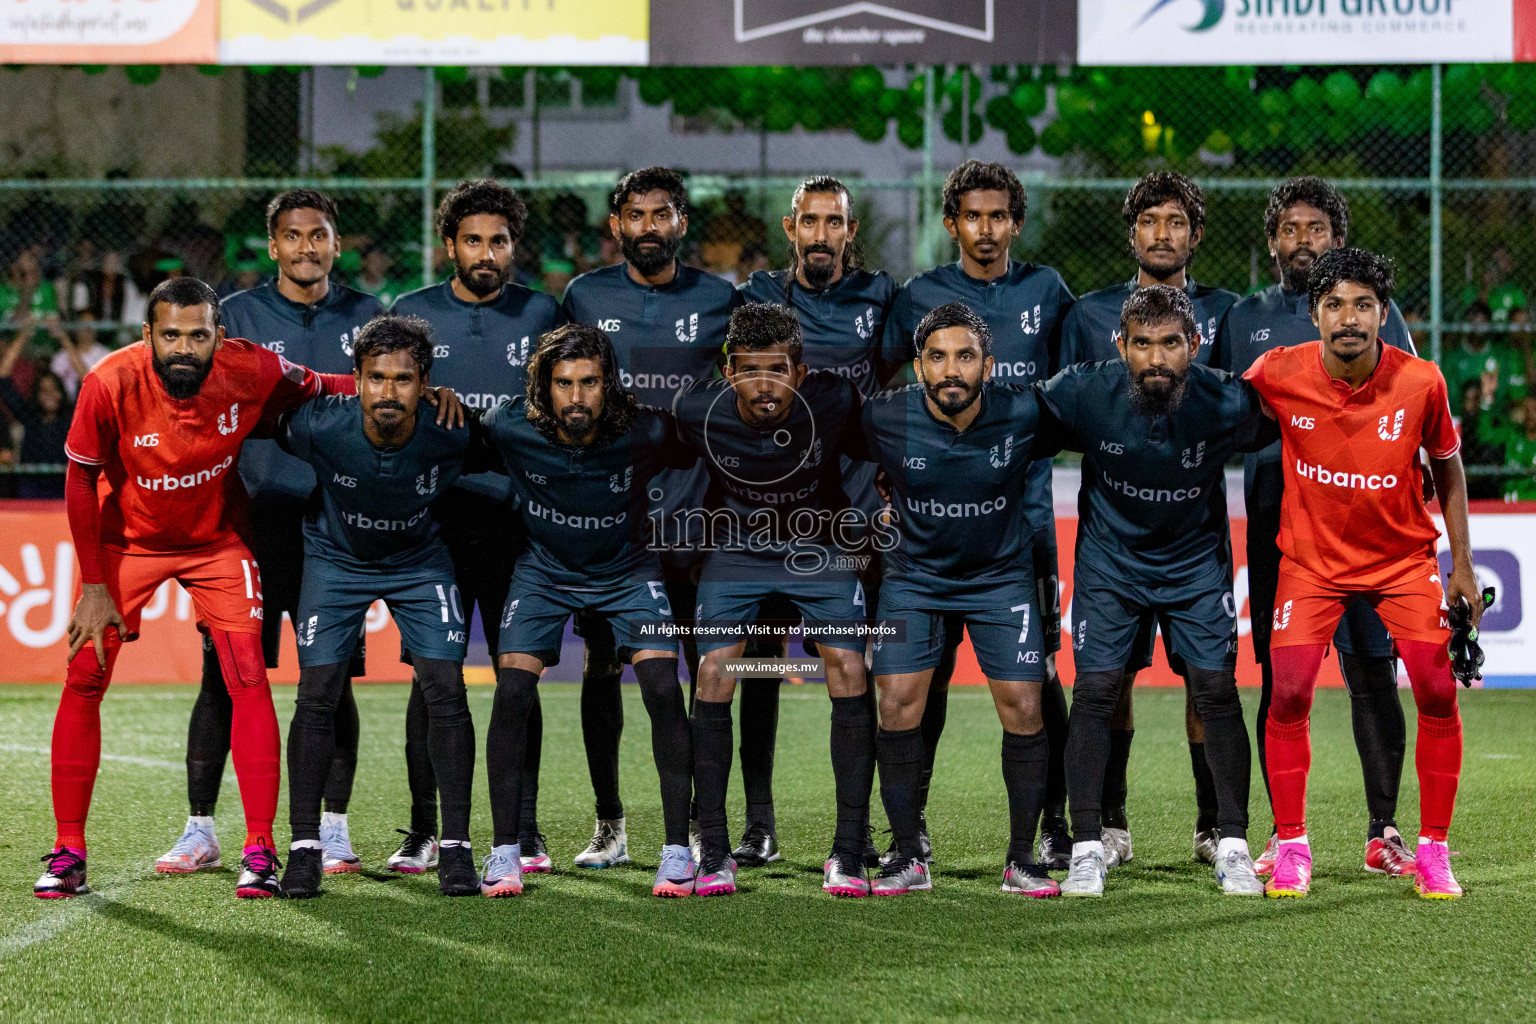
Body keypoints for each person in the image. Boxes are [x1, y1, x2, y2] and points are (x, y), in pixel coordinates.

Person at [35, 277, 357, 899]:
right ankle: (68, 849)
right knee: (84, 675)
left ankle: (259, 849)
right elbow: (79, 484)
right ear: (149, 335)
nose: (185, 348)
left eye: (199, 335)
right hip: (127, 545)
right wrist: (94, 585)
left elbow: (325, 384)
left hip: (217, 544)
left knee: (248, 677)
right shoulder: (108, 382)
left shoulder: (253, 368)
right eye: (172, 335)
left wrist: (397, 385)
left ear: (220, 336)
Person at [156, 189, 384, 878]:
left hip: (336, 532)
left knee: (330, 681)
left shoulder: (372, 317)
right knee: (223, 680)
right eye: (293, 236)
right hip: (251, 532)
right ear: (273, 245)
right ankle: (200, 829)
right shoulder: (239, 316)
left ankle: (334, 830)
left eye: (319, 235)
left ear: (335, 244)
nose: (306, 247)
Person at [1243, 247, 1478, 900]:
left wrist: (1461, 562)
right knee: (1287, 692)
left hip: (1402, 563)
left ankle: (1432, 849)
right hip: (1311, 564)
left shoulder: (1421, 381)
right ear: (1315, 313)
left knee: (1436, 688)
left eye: (1363, 304)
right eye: (1335, 304)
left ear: (1383, 313)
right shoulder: (1277, 372)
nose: (1349, 317)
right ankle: (1291, 845)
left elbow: (1448, 467)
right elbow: (1222, 415)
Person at [1220, 177, 1420, 877]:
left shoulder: (1375, 313)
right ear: (1271, 241)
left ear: (1339, 238)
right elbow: (1223, 418)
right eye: (1289, 229)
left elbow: (1415, 408)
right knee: (1284, 683)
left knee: (1373, 673)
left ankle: (1384, 829)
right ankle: (1285, 833)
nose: (1302, 241)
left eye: (1316, 229)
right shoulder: (1244, 318)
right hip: (1281, 526)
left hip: (1367, 528)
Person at [1040, 285, 1269, 896]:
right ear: (1121, 347)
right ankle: (1089, 844)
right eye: (1141, 344)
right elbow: (1010, 423)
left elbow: (1305, 420)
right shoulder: (1085, 390)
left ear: (1195, 345)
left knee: (1217, 692)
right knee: (1095, 691)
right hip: (1111, 566)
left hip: (1195, 567)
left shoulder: (1229, 401)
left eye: (1171, 343)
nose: (1156, 358)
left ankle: (1233, 842)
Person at [882, 161, 1075, 867]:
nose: (986, 229)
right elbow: (883, 389)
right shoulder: (920, 295)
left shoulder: (1047, 290)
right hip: (932, 515)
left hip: (1022, 518)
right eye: (972, 215)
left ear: (1016, 223)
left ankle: (1054, 822)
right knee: (919, 676)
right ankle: (912, 825)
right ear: (951, 222)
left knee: (1039, 674)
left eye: (999, 216)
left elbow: (1069, 393)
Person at [474, 323, 697, 898]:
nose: (576, 397)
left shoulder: (647, 429)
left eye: (590, 383)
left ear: (609, 384)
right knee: (512, 692)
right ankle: (504, 854)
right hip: (544, 573)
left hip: (628, 571)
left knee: (662, 688)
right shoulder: (509, 427)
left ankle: (676, 848)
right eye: (564, 383)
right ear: (544, 388)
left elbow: (709, 450)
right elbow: (450, 445)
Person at [560, 167, 742, 868]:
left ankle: (700, 824)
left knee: (704, 675)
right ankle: (610, 822)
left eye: (662, 214)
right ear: (616, 226)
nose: (648, 227)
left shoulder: (719, 299)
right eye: (635, 215)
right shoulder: (583, 296)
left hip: (697, 518)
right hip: (612, 519)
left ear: (681, 224)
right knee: (602, 668)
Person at [1059, 172, 1242, 867]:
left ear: (1196, 234)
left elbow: (1247, 409)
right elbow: (1062, 407)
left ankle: (1211, 825)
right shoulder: (1087, 315)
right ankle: (1106, 821)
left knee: (1209, 681)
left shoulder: (1232, 312)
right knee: (1111, 680)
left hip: (1196, 537)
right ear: (1131, 232)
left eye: (1176, 222)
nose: (1162, 234)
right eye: (1149, 221)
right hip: (1113, 537)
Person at [393, 178, 566, 874]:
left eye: (498, 240)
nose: (486, 253)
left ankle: (523, 829)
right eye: (473, 240)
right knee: (431, 682)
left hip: (519, 529)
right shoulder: (411, 314)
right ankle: (422, 830)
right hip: (434, 529)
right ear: (450, 246)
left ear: (513, 246)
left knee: (516, 677)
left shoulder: (543, 315)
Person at [272, 314, 478, 899]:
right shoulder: (318, 426)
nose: (389, 392)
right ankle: (306, 849)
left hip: (420, 563)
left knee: (446, 687)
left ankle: (457, 849)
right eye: (376, 377)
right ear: (355, 380)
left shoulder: (454, 430)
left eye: (405, 379)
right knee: (316, 694)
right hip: (336, 561)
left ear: (426, 383)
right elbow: (255, 419)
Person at [674, 302, 875, 897]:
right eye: (750, 370)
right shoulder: (695, 410)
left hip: (819, 545)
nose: (765, 385)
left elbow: (884, 442)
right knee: (714, 670)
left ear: (801, 371)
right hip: (737, 549)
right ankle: (713, 850)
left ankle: (849, 850)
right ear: (728, 371)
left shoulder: (835, 401)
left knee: (848, 665)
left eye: (779, 370)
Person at [728, 175, 899, 866]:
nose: (822, 233)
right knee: (760, 668)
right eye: (811, 221)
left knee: (860, 673)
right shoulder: (755, 297)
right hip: (772, 516)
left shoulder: (882, 298)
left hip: (854, 520)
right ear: (789, 226)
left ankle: (872, 831)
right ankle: (759, 825)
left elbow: (894, 390)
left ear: (850, 232)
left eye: (835, 222)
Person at [859, 302, 1056, 897]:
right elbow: (831, 459)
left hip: (1000, 578)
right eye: (937, 357)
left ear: (988, 365)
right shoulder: (882, 417)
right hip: (914, 578)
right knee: (896, 703)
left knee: (1025, 704)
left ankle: (1023, 858)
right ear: (918, 368)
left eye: (965, 356)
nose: (951, 369)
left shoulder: (1025, 410)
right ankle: (906, 856)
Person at [0, 332, 70, 498]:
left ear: (61, 393)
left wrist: (64, 338)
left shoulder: (70, 418)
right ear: (37, 395)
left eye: (54, 390)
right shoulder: (30, 416)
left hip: (63, 487)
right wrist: (24, 334)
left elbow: (88, 380)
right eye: (44, 391)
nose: (50, 395)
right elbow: (3, 377)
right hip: (30, 488)